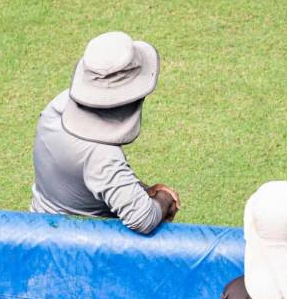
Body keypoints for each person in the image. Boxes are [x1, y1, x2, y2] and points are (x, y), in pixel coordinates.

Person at [31, 31, 181, 234]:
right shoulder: (102, 156)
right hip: (77, 249)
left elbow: (89, 176)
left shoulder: (58, 105)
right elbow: (143, 218)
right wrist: (164, 199)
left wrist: (144, 190)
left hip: (39, 226)